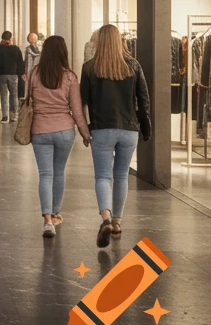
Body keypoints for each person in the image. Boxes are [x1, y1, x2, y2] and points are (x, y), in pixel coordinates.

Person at [80, 24, 151, 248]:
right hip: (129, 129)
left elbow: (82, 100)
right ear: (120, 40)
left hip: (101, 128)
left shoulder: (90, 68)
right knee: (121, 176)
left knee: (102, 177)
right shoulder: (133, 65)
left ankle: (106, 219)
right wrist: (145, 125)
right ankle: (118, 221)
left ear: (99, 41)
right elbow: (144, 99)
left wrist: (84, 128)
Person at [28, 34, 90, 237]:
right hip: (64, 130)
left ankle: (47, 221)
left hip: (39, 129)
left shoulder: (35, 74)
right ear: (64, 52)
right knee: (59, 172)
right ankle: (55, 213)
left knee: (45, 175)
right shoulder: (70, 76)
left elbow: (28, 100)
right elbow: (77, 109)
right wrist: (84, 132)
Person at [0, 31, 25, 123]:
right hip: (13, 75)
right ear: (11, 38)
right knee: (14, 95)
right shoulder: (15, 49)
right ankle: (14, 115)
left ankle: (5, 116)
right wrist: (21, 73)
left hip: (1, 74)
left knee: (3, 96)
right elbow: (20, 62)